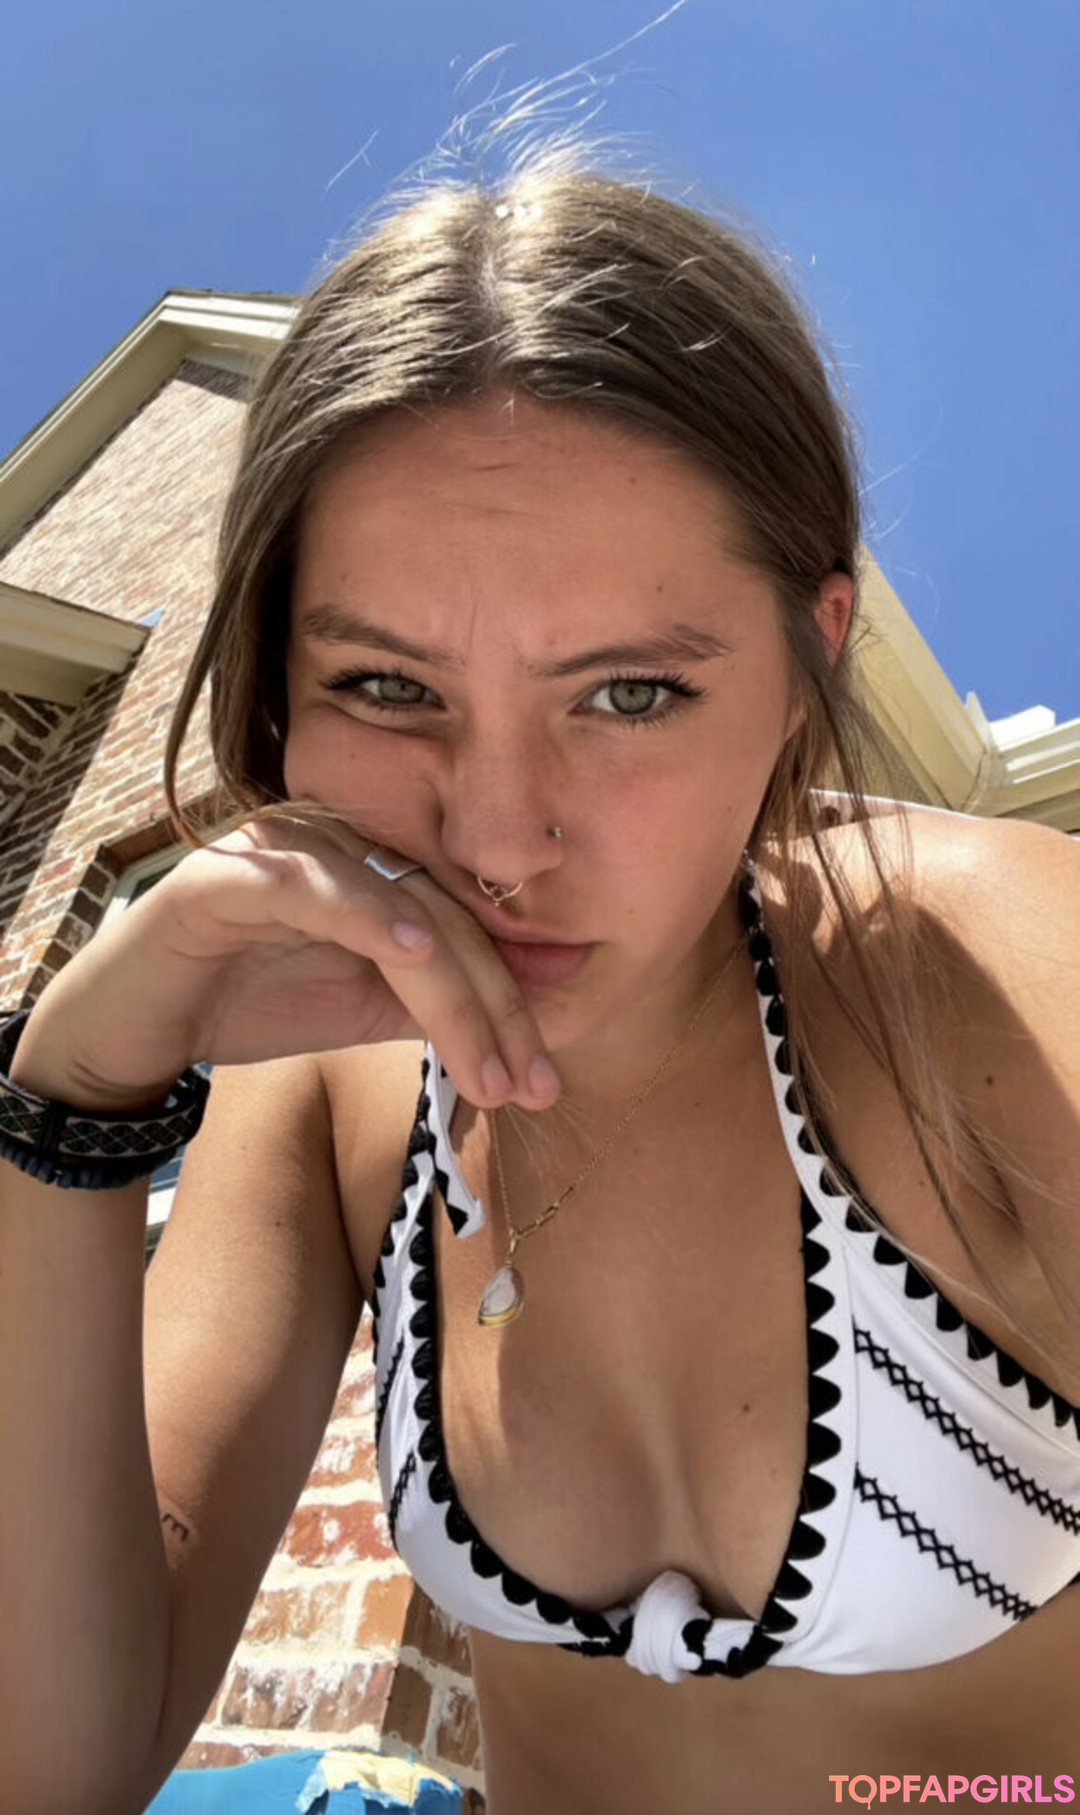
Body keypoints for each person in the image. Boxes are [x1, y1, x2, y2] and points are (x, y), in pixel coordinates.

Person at [2, 152, 1078, 1815]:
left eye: (630, 694)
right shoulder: (335, 1091)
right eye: (386, 686)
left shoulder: (1004, 986)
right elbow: (56, 1764)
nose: (497, 838)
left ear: (810, 662)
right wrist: (73, 1105)